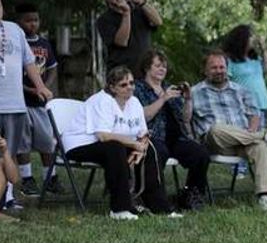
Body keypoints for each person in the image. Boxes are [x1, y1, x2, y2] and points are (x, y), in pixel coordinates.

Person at [61, 66, 179, 221]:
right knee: (114, 149)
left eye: (131, 83)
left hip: (113, 144)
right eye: (123, 85)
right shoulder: (102, 101)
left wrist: (140, 148)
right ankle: (119, 209)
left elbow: (143, 133)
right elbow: (103, 136)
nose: (129, 87)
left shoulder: (134, 102)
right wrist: (133, 145)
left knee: (153, 147)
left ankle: (158, 205)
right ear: (112, 87)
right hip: (80, 144)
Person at [0, 0, 53, 211]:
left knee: (10, 151)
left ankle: (8, 196)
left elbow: (29, 62)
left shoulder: (14, 29)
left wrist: (40, 86)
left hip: (15, 104)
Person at [191, 50, 267, 211]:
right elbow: (186, 119)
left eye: (222, 67)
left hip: (243, 141)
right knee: (216, 129)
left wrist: (252, 129)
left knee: (259, 147)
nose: (219, 71)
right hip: (216, 142)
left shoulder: (240, 89)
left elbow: (255, 113)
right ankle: (266, 135)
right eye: (213, 67)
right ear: (205, 70)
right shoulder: (195, 92)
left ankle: (264, 196)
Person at [134, 49, 210, 210]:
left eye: (165, 66)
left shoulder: (169, 88)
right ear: (147, 67)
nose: (163, 69)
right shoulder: (138, 88)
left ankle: (190, 194)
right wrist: (163, 98)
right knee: (159, 152)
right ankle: (153, 199)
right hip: (153, 137)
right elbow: (143, 116)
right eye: (158, 66)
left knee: (201, 154)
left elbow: (185, 118)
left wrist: (188, 99)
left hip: (176, 138)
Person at [14, 3, 60, 197]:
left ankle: (51, 178)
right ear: (19, 22)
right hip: (21, 101)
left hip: (41, 102)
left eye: (36, 20)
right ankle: (27, 179)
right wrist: (31, 89)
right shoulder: (16, 44)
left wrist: (45, 86)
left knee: (47, 141)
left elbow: (52, 68)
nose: (33, 24)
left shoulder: (44, 43)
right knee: (23, 142)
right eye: (28, 20)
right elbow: (13, 75)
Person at [96, 0, 163, 72]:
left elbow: (158, 21)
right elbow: (122, 42)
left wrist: (141, 0)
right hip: (122, 73)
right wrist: (126, 13)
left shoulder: (139, 10)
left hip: (145, 71)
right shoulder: (104, 20)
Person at [222, 24, 267, 129]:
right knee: (247, 136)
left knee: (260, 138)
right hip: (243, 105)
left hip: (261, 103)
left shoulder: (255, 59)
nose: (253, 39)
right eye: (250, 36)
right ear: (242, 39)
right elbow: (226, 82)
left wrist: (264, 50)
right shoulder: (230, 61)